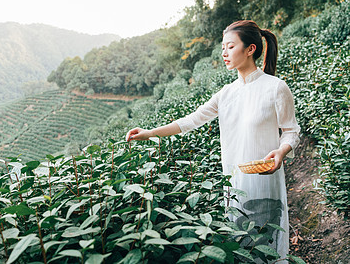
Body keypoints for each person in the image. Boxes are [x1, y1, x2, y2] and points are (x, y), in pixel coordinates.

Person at [125, 20, 300, 261]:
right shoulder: (227, 93)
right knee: (240, 245)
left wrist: (281, 152)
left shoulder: (275, 88)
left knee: (265, 244)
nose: (224, 53)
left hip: (264, 181)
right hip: (235, 182)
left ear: (250, 49)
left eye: (230, 47)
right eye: (223, 48)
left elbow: (291, 131)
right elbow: (191, 120)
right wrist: (150, 132)